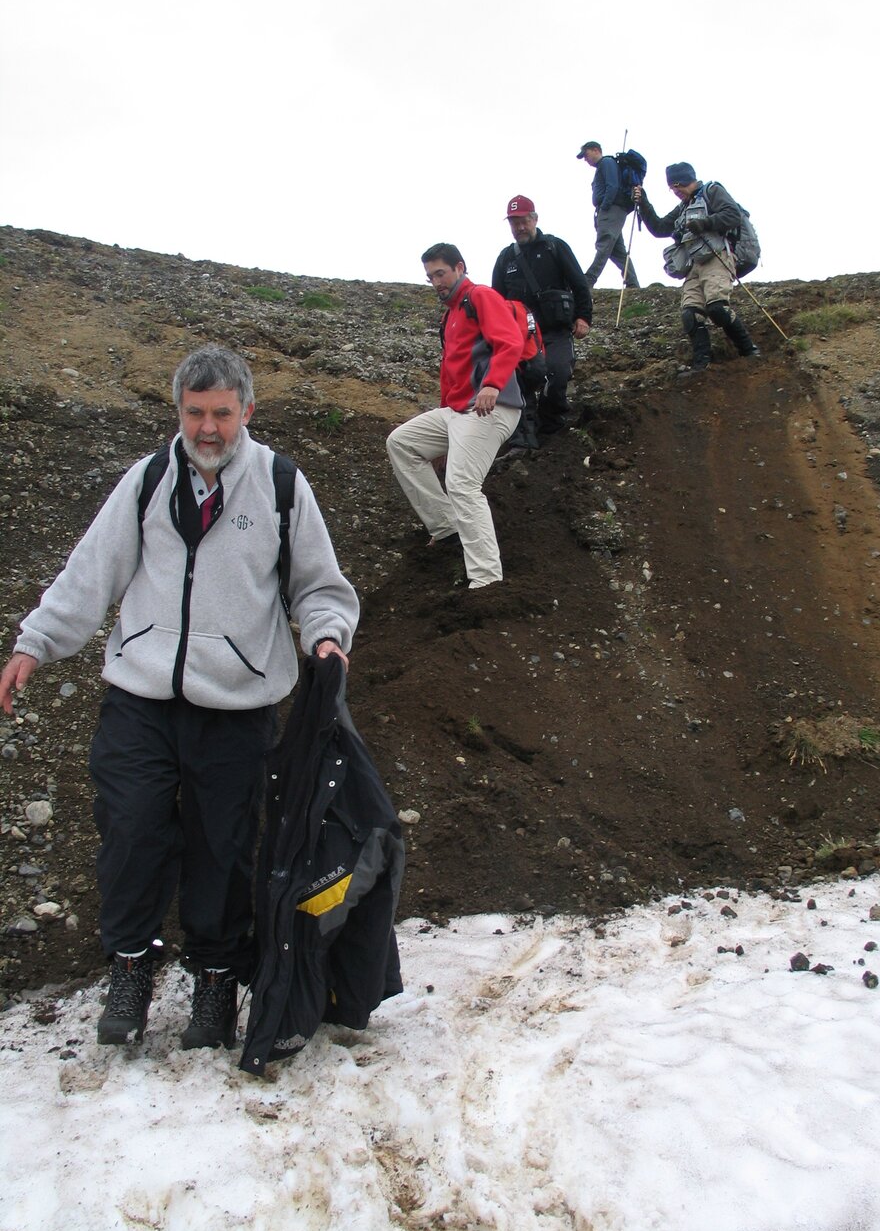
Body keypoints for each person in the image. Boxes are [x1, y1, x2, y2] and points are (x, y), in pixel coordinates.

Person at [0, 345, 360, 1051]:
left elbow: (319, 587)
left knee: (222, 849)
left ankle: (217, 976)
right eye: (195, 413)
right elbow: (90, 574)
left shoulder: (283, 486)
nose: (207, 428)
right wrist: (34, 642)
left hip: (236, 707)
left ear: (247, 412)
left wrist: (326, 636)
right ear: (179, 412)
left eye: (222, 413)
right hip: (140, 697)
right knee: (130, 829)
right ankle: (131, 965)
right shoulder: (145, 483)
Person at [386, 243, 524, 589]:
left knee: (462, 484)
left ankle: (487, 580)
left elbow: (510, 342)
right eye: (430, 276)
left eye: (440, 273)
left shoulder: (480, 297)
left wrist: (492, 384)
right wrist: (444, 437)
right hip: (458, 411)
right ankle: (447, 527)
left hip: (491, 406)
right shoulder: (451, 314)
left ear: (459, 267)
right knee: (402, 442)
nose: (435, 282)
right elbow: (451, 377)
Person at [635, 162, 760, 371]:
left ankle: (749, 351)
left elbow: (732, 215)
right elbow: (659, 228)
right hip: (695, 262)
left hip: (718, 255)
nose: (676, 192)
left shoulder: (712, 191)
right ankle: (701, 365)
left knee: (717, 307)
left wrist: (704, 224)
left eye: (677, 186)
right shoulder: (684, 206)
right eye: (672, 188)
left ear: (686, 180)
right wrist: (643, 203)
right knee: (690, 314)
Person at [492, 194, 592, 439]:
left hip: (555, 330)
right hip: (521, 337)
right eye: (514, 223)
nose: (520, 227)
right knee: (517, 383)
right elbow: (495, 302)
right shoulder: (505, 259)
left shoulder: (554, 247)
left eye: (524, 221)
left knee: (557, 374)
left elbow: (580, 284)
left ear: (535, 219)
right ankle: (524, 435)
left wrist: (583, 317)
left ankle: (552, 428)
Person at [577, 141, 640, 289]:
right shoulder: (605, 165)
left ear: (595, 150)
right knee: (616, 251)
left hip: (611, 209)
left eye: (586, 155)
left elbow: (612, 186)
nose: (586, 160)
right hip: (612, 210)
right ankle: (632, 282)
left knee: (604, 243)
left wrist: (605, 206)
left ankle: (589, 279)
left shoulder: (606, 162)